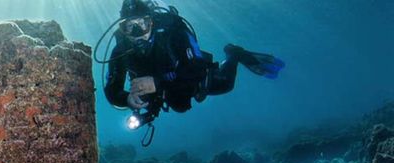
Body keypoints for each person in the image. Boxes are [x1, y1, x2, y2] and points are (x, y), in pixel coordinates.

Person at [102, 0, 285, 130]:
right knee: (177, 104)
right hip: (163, 91)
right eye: (129, 27)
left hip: (188, 79)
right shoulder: (120, 51)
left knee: (225, 85)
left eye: (142, 24)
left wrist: (157, 83)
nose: (137, 32)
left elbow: (197, 70)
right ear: (122, 30)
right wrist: (126, 99)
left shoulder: (174, 34)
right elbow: (112, 91)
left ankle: (233, 54)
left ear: (152, 22)